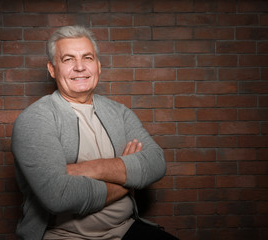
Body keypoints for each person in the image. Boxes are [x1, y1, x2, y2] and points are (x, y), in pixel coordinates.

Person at [11, 25, 178, 240]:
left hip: (125, 229)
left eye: (87, 58)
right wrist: (128, 177)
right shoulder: (35, 120)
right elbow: (58, 196)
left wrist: (90, 168)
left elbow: (156, 163)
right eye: (68, 59)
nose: (80, 67)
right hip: (63, 235)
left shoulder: (119, 112)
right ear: (52, 69)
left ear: (98, 66)